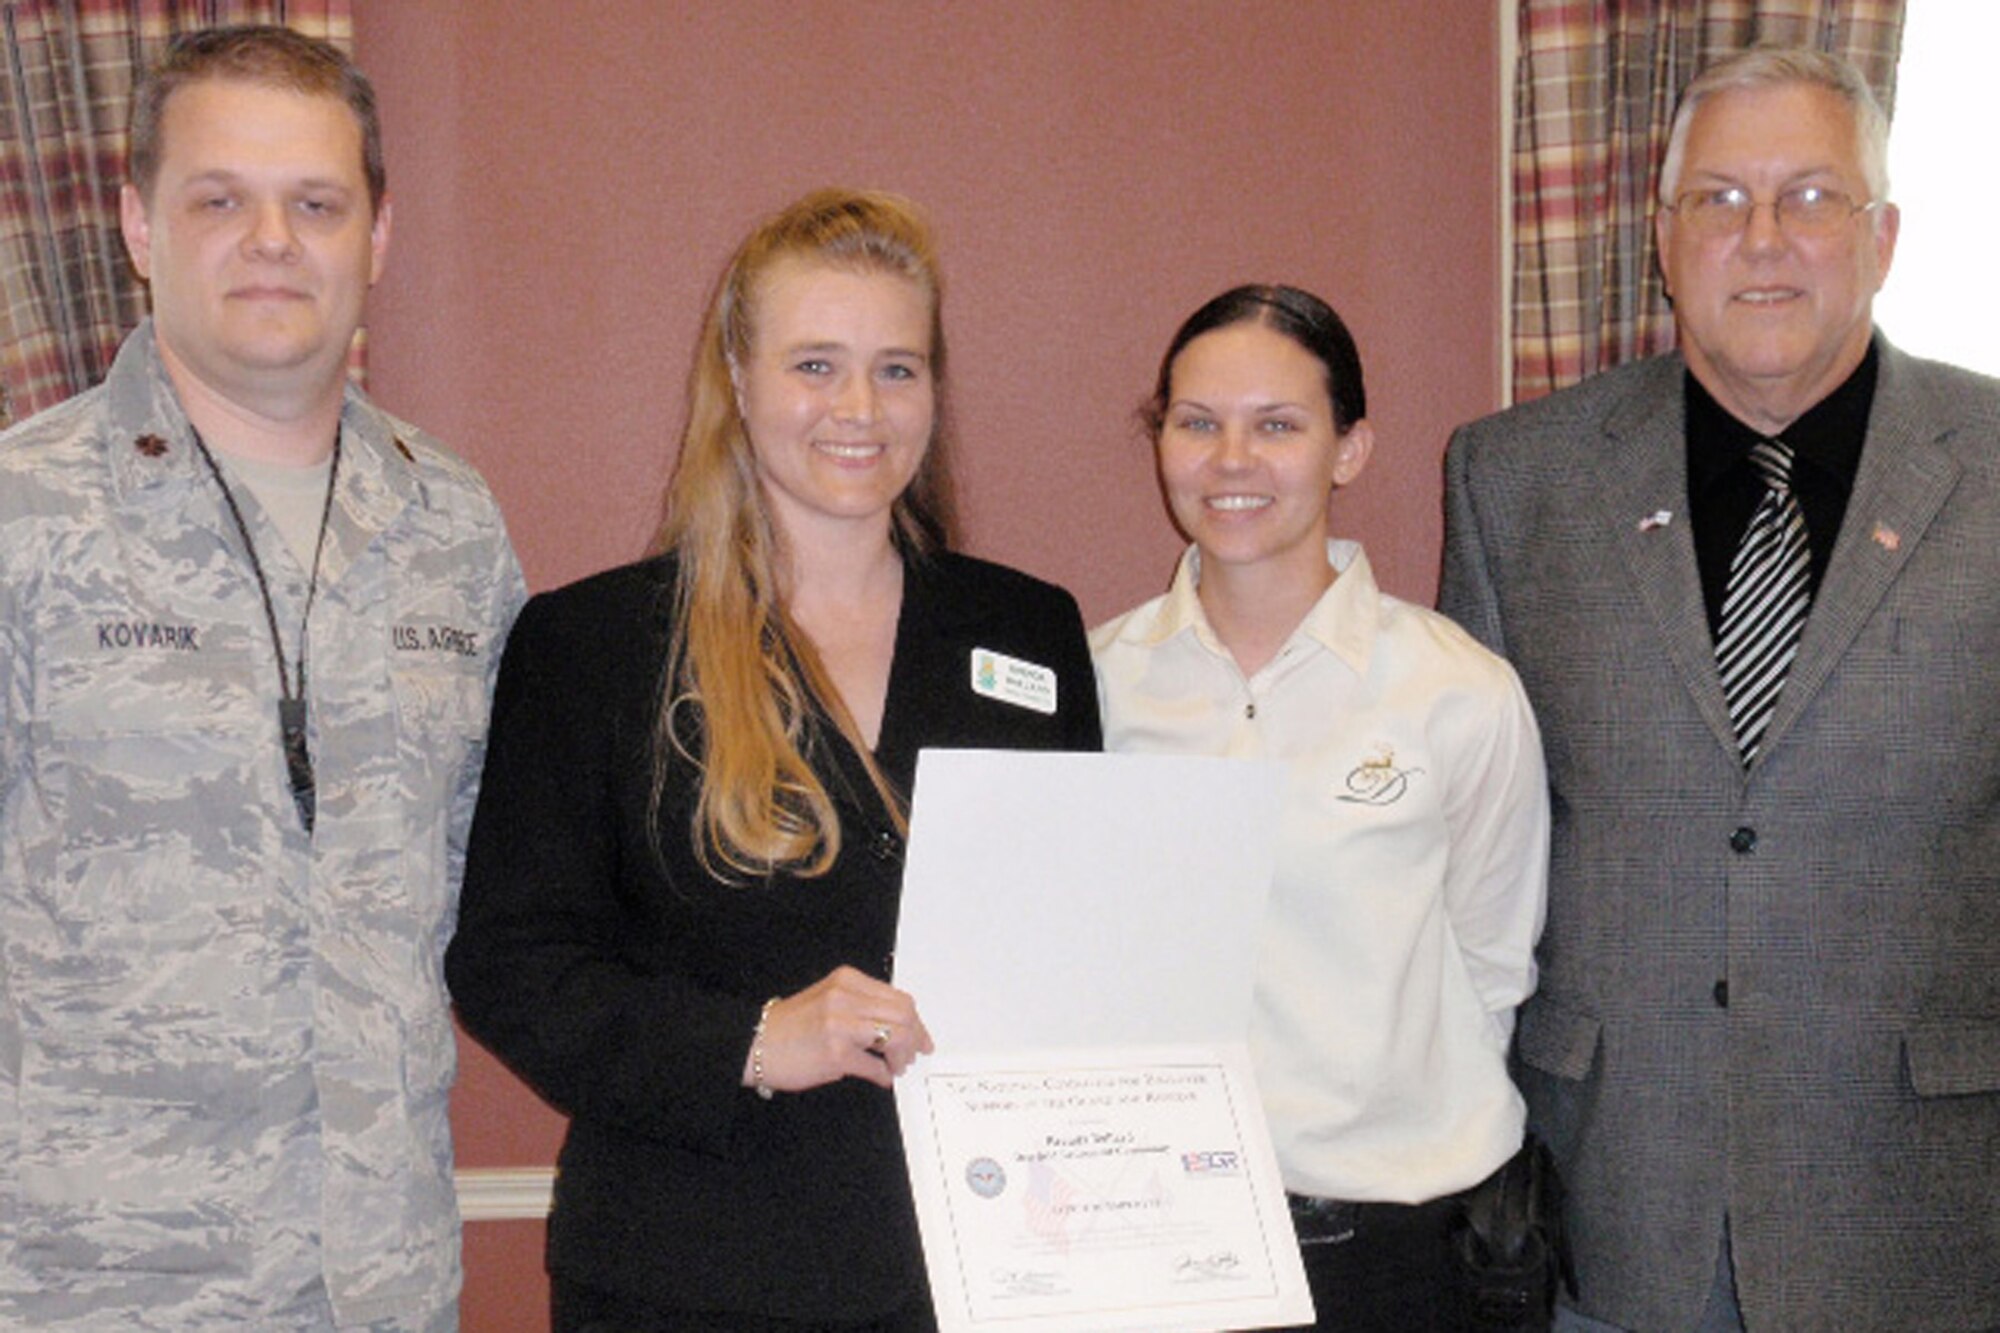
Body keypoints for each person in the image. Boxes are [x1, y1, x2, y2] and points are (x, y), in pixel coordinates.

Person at [445, 188, 1102, 1331]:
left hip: (978, 1272)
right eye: (814, 365)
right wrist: (751, 1040)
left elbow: (1072, 936)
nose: (859, 408)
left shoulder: (1029, 632)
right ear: (738, 384)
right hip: (691, 1276)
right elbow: (511, 964)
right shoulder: (594, 646)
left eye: (896, 369)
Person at [1440, 46, 2000, 1333]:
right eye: (1718, 200)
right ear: (1659, 233)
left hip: (1925, 1203)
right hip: (1611, 1197)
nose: (1762, 240)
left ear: (1883, 237)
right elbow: (1466, 838)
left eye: (1810, 198)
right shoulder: (1512, 479)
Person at [0, 24, 523, 1331]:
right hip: (83, 1289)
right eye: (220, 199)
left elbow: (516, 893)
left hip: (383, 1286)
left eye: (316, 203)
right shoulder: (21, 518)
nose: (273, 239)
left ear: (379, 236)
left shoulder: (453, 531)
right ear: (135, 221)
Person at [1091, 285, 1550, 1332]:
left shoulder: (1456, 690)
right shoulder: (1096, 686)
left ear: (1349, 449)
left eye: (1277, 425)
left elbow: (1490, 966)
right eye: (1196, 422)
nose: (1230, 460)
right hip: (1166, 1240)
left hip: (1402, 1250)